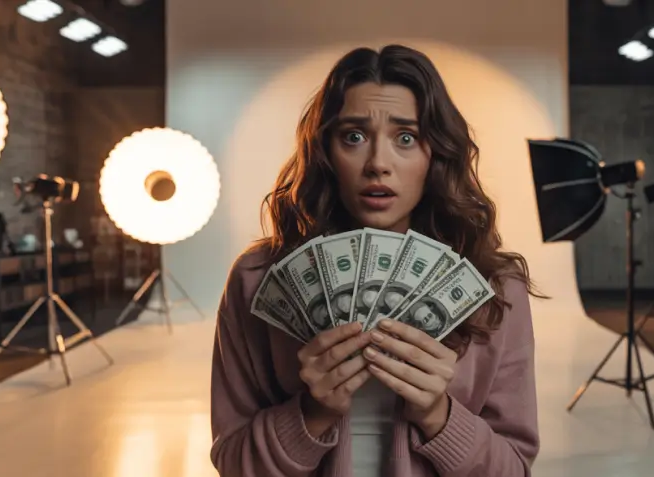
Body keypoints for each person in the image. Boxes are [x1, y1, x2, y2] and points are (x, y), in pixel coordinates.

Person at [210, 44, 541, 477]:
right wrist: (312, 413)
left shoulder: (495, 289)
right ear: (325, 151)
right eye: (354, 136)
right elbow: (233, 462)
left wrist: (438, 415)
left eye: (406, 138)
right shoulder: (257, 281)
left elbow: (512, 470)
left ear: (436, 155)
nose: (378, 164)